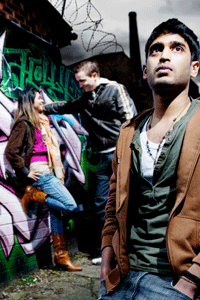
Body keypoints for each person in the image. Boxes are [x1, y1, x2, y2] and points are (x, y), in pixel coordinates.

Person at [99, 18, 200, 300]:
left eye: (177, 48)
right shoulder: (128, 131)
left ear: (194, 68)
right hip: (122, 274)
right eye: (156, 50)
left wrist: (193, 279)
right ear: (146, 70)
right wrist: (107, 250)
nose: (164, 55)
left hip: (178, 282)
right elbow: (112, 201)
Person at [43, 60, 137, 260]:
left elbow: (131, 122)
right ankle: (109, 252)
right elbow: (66, 106)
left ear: (94, 76)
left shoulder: (115, 90)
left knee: (127, 202)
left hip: (122, 155)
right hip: (105, 158)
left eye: (82, 81)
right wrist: (42, 108)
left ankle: (132, 251)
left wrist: (126, 153)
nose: (80, 85)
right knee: (101, 204)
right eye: (77, 82)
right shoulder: (86, 99)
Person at [5, 86, 82, 272]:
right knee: (70, 206)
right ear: (30, 102)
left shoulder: (40, 120)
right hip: (40, 171)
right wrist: (24, 172)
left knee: (57, 213)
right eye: (38, 98)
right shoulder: (24, 122)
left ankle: (61, 257)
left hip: (49, 169)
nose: (42, 101)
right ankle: (32, 194)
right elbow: (10, 151)